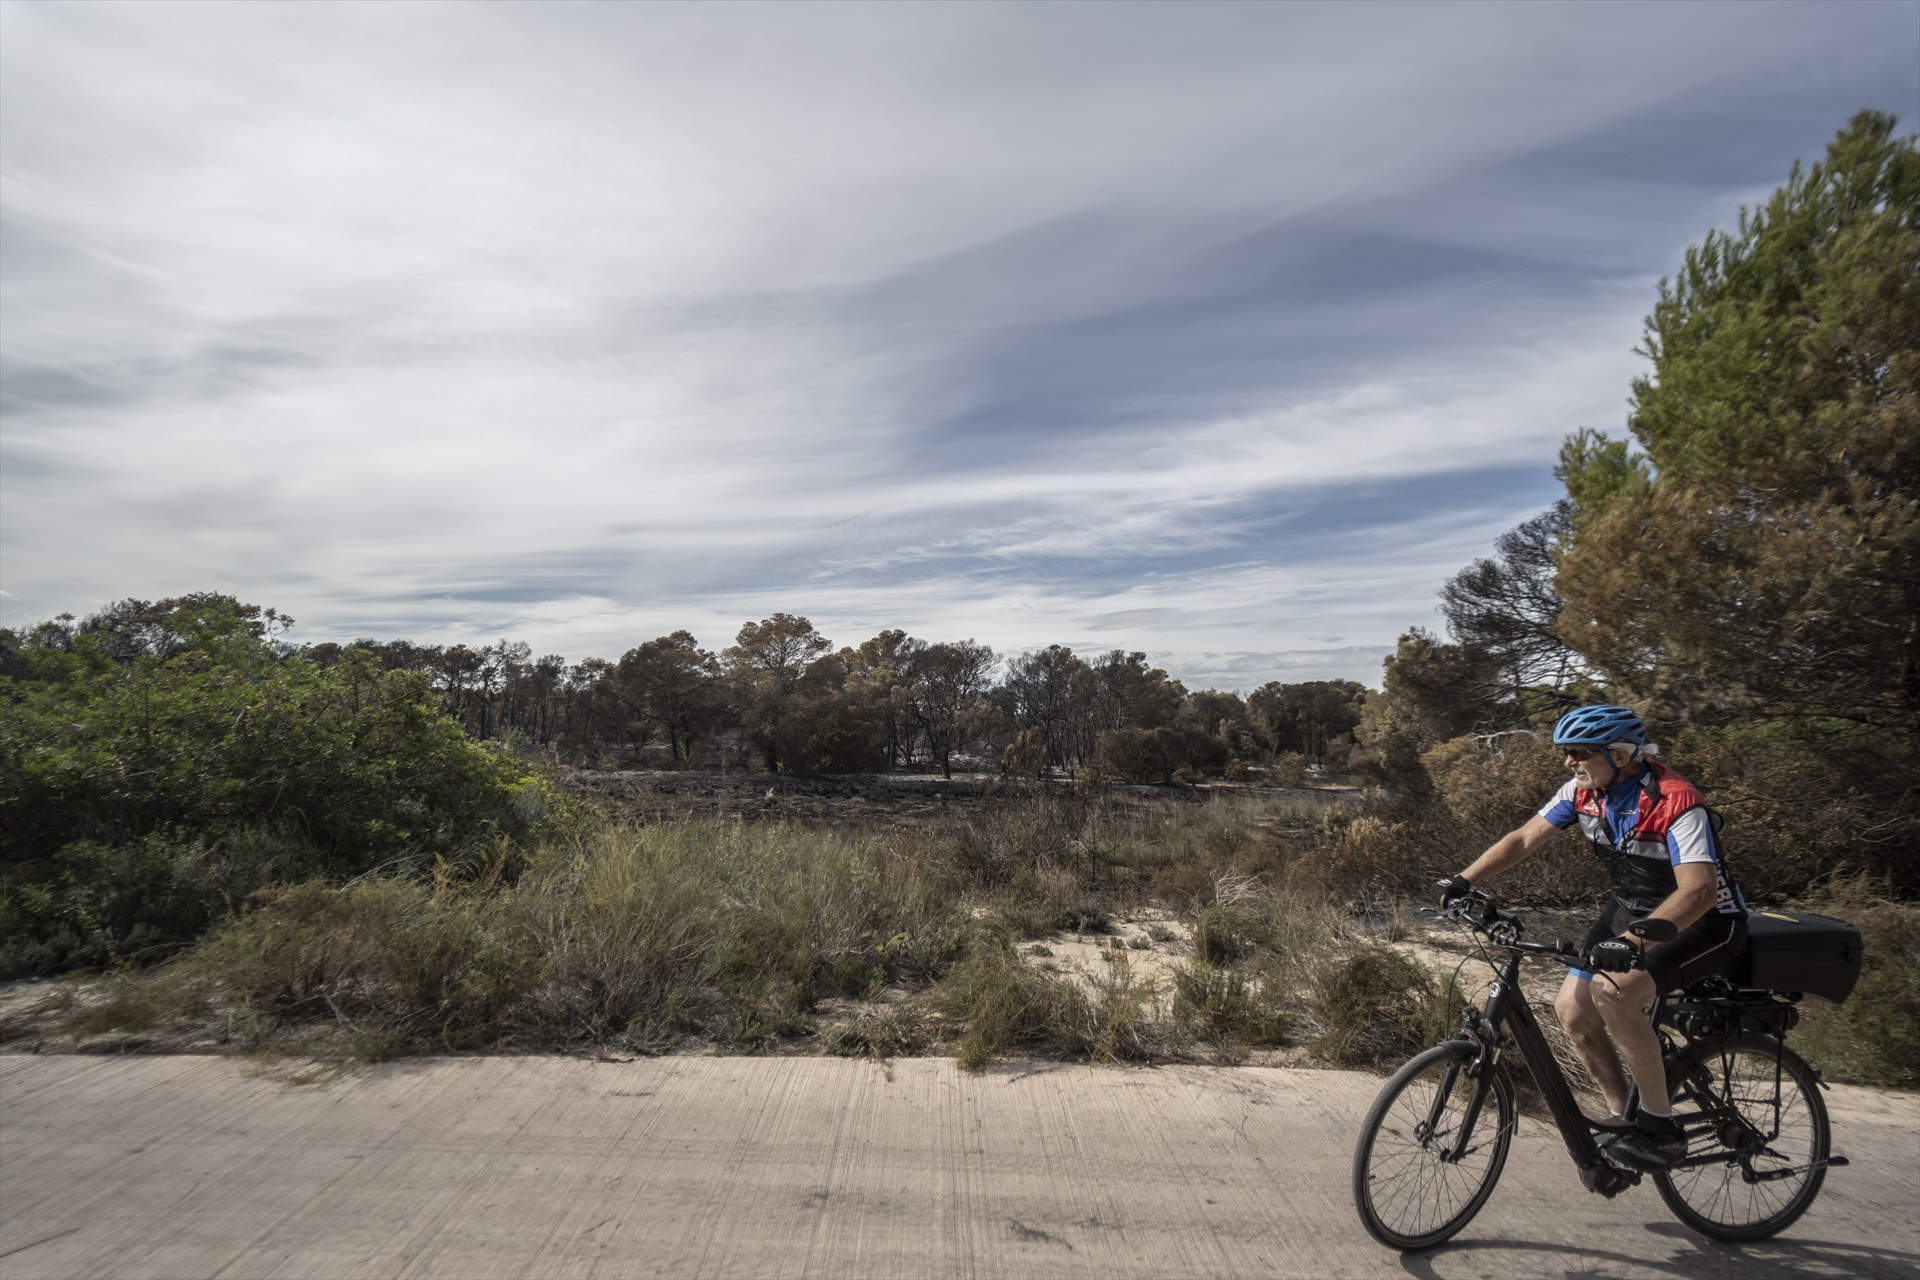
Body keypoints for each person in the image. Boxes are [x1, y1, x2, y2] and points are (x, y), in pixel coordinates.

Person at [1434, 705, 1747, 1172]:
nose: (1567, 763)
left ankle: (1660, 1129)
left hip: (1704, 922)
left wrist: (1634, 944)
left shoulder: (1677, 801)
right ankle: (1627, 1117)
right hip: (1631, 908)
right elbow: (1522, 839)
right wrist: (1463, 880)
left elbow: (1698, 892)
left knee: (1613, 993)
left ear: (1619, 755)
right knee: (1573, 1011)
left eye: (1578, 753)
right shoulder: (1583, 793)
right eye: (1565, 753)